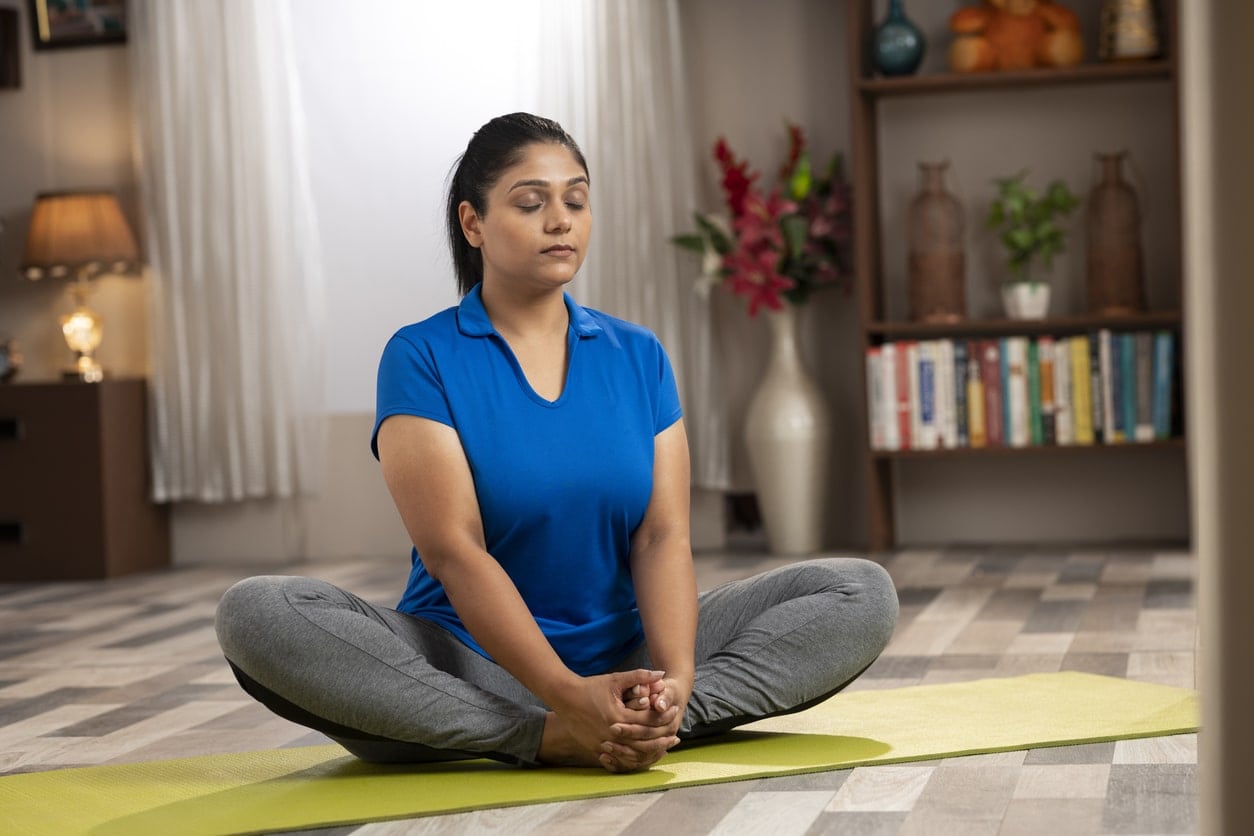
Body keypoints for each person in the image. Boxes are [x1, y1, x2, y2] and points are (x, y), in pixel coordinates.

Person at [215, 112, 898, 773]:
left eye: (576, 199)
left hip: (628, 658)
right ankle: (539, 734)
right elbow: (455, 552)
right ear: (472, 222)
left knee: (858, 592)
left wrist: (680, 681)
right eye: (531, 202)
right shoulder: (421, 355)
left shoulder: (638, 354)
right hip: (470, 664)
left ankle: (644, 723)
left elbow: (663, 538)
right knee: (258, 613)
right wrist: (563, 696)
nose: (560, 219)